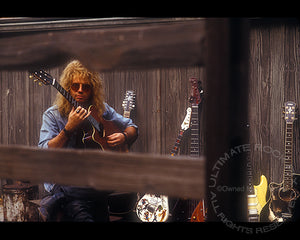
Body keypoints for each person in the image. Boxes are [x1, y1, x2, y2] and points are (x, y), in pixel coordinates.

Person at [38, 60, 138, 221]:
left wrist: (124, 136)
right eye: (75, 86)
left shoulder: (101, 110)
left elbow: (132, 127)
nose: (80, 90)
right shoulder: (53, 115)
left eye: (86, 87)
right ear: (67, 87)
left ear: (93, 90)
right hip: (67, 185)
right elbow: (45, 152)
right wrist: (68, 128)